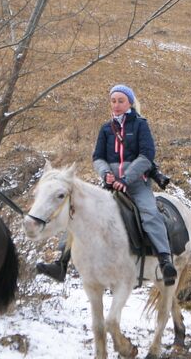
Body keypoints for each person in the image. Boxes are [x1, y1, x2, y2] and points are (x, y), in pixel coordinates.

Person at [37, 84, 177, 286]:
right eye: (113, 101)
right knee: (77, 211)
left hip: (137, 183)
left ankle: (165, 262)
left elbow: (147, 156)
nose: (117, 105)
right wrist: (106, 174)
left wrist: (125, 178)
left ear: (129, 102)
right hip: (111, 183)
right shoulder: (105, 128)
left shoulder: (140, 125)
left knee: (149, 213)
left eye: (121, 101)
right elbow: (98, 158)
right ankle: (61, 263)